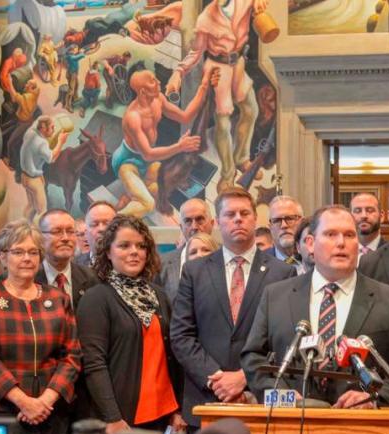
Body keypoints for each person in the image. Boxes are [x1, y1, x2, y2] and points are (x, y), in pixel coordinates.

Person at [242, 204, 389, 406]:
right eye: (331, 234)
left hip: (361, 427)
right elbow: (253, 357)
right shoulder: (276, 295)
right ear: (310, 243)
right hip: (291, 422)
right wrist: (279, 391)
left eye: (349, 235)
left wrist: (375, 397)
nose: (341, 243)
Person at [170, 187, 295, 432]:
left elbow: (284, 340)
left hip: (259, 400)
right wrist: (216, 378)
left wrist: (245, 377)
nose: (237, 219)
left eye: (244, 213)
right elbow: (181, 336)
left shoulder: (283, 273)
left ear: (255, 219)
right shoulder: (195, 272)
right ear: (217, 222)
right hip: (205, 401)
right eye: (230, 214)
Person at [0, 220, 81, 434]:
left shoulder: (58, 298)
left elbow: (72, 356)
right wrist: (23, 401)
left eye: (33, 252)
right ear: (2, 257)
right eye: (18, 252)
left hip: (51, 411)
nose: (27, 258)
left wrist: (45, 401)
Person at [77, 215, 185, 434]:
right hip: (122, 420)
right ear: (108, 252)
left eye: (140, 246)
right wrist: (112, 418)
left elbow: (172, 356)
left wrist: (177, 409)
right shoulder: (96, 298)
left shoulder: (159, 296)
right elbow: (94, 363)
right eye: (124, 246)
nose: (134, 251)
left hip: (163, 414)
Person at [165, 0, 268, 192]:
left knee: (251, 110)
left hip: (237, 65)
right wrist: (178, 72)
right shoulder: (206, 18)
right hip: (217, 69)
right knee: (223, 122)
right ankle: (227, 174)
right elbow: (196, 52)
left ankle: (241, 158)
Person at [115, 68, 217, 217]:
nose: (159, 82)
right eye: (152, 81)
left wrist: (204, 86)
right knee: (148, 204)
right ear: (143, 92)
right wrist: (180, 146)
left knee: (162, 186)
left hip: (147, 163)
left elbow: (185, 117)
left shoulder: (158, 99)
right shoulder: (133, 117)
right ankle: (109, 224)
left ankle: (130, 196)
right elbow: (148, 154)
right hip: (127, 163)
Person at [36, 209, 99, 310]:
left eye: (70, 232)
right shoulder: (30, 279)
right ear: (40, 238)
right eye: (56, 232)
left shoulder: (91, 278)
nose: (65, 238)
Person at [157, 199, 215, 302]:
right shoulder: (161, 264)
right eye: (188, 221)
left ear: (212, 223)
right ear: (181, 227)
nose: (194, 227)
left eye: (200, 219)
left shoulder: (227, 259)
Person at [20, 116, 70, 220]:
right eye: (52, 127)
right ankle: (38, 235)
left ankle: (24, 228)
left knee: (31, 206)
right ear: (43, 128)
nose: (54, 130)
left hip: (25, 177)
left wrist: (50, 120)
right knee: (42, 211)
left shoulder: (30, 132)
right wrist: (60, 141)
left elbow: (38, 121)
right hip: (33, 180)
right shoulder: (41, 143)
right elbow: (51, 158)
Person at [77, 201, 117, 267]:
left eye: (107, 224)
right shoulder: (74, 266)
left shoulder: (131, 264)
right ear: (86, 233)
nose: (101, 229)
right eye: (94, 224)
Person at [265, 195, 304, 264]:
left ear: (302, 222)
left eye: (290, 218)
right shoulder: (258, 262)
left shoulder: (317, 258)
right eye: (277, 220)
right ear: (270, 227)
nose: (284, 225)